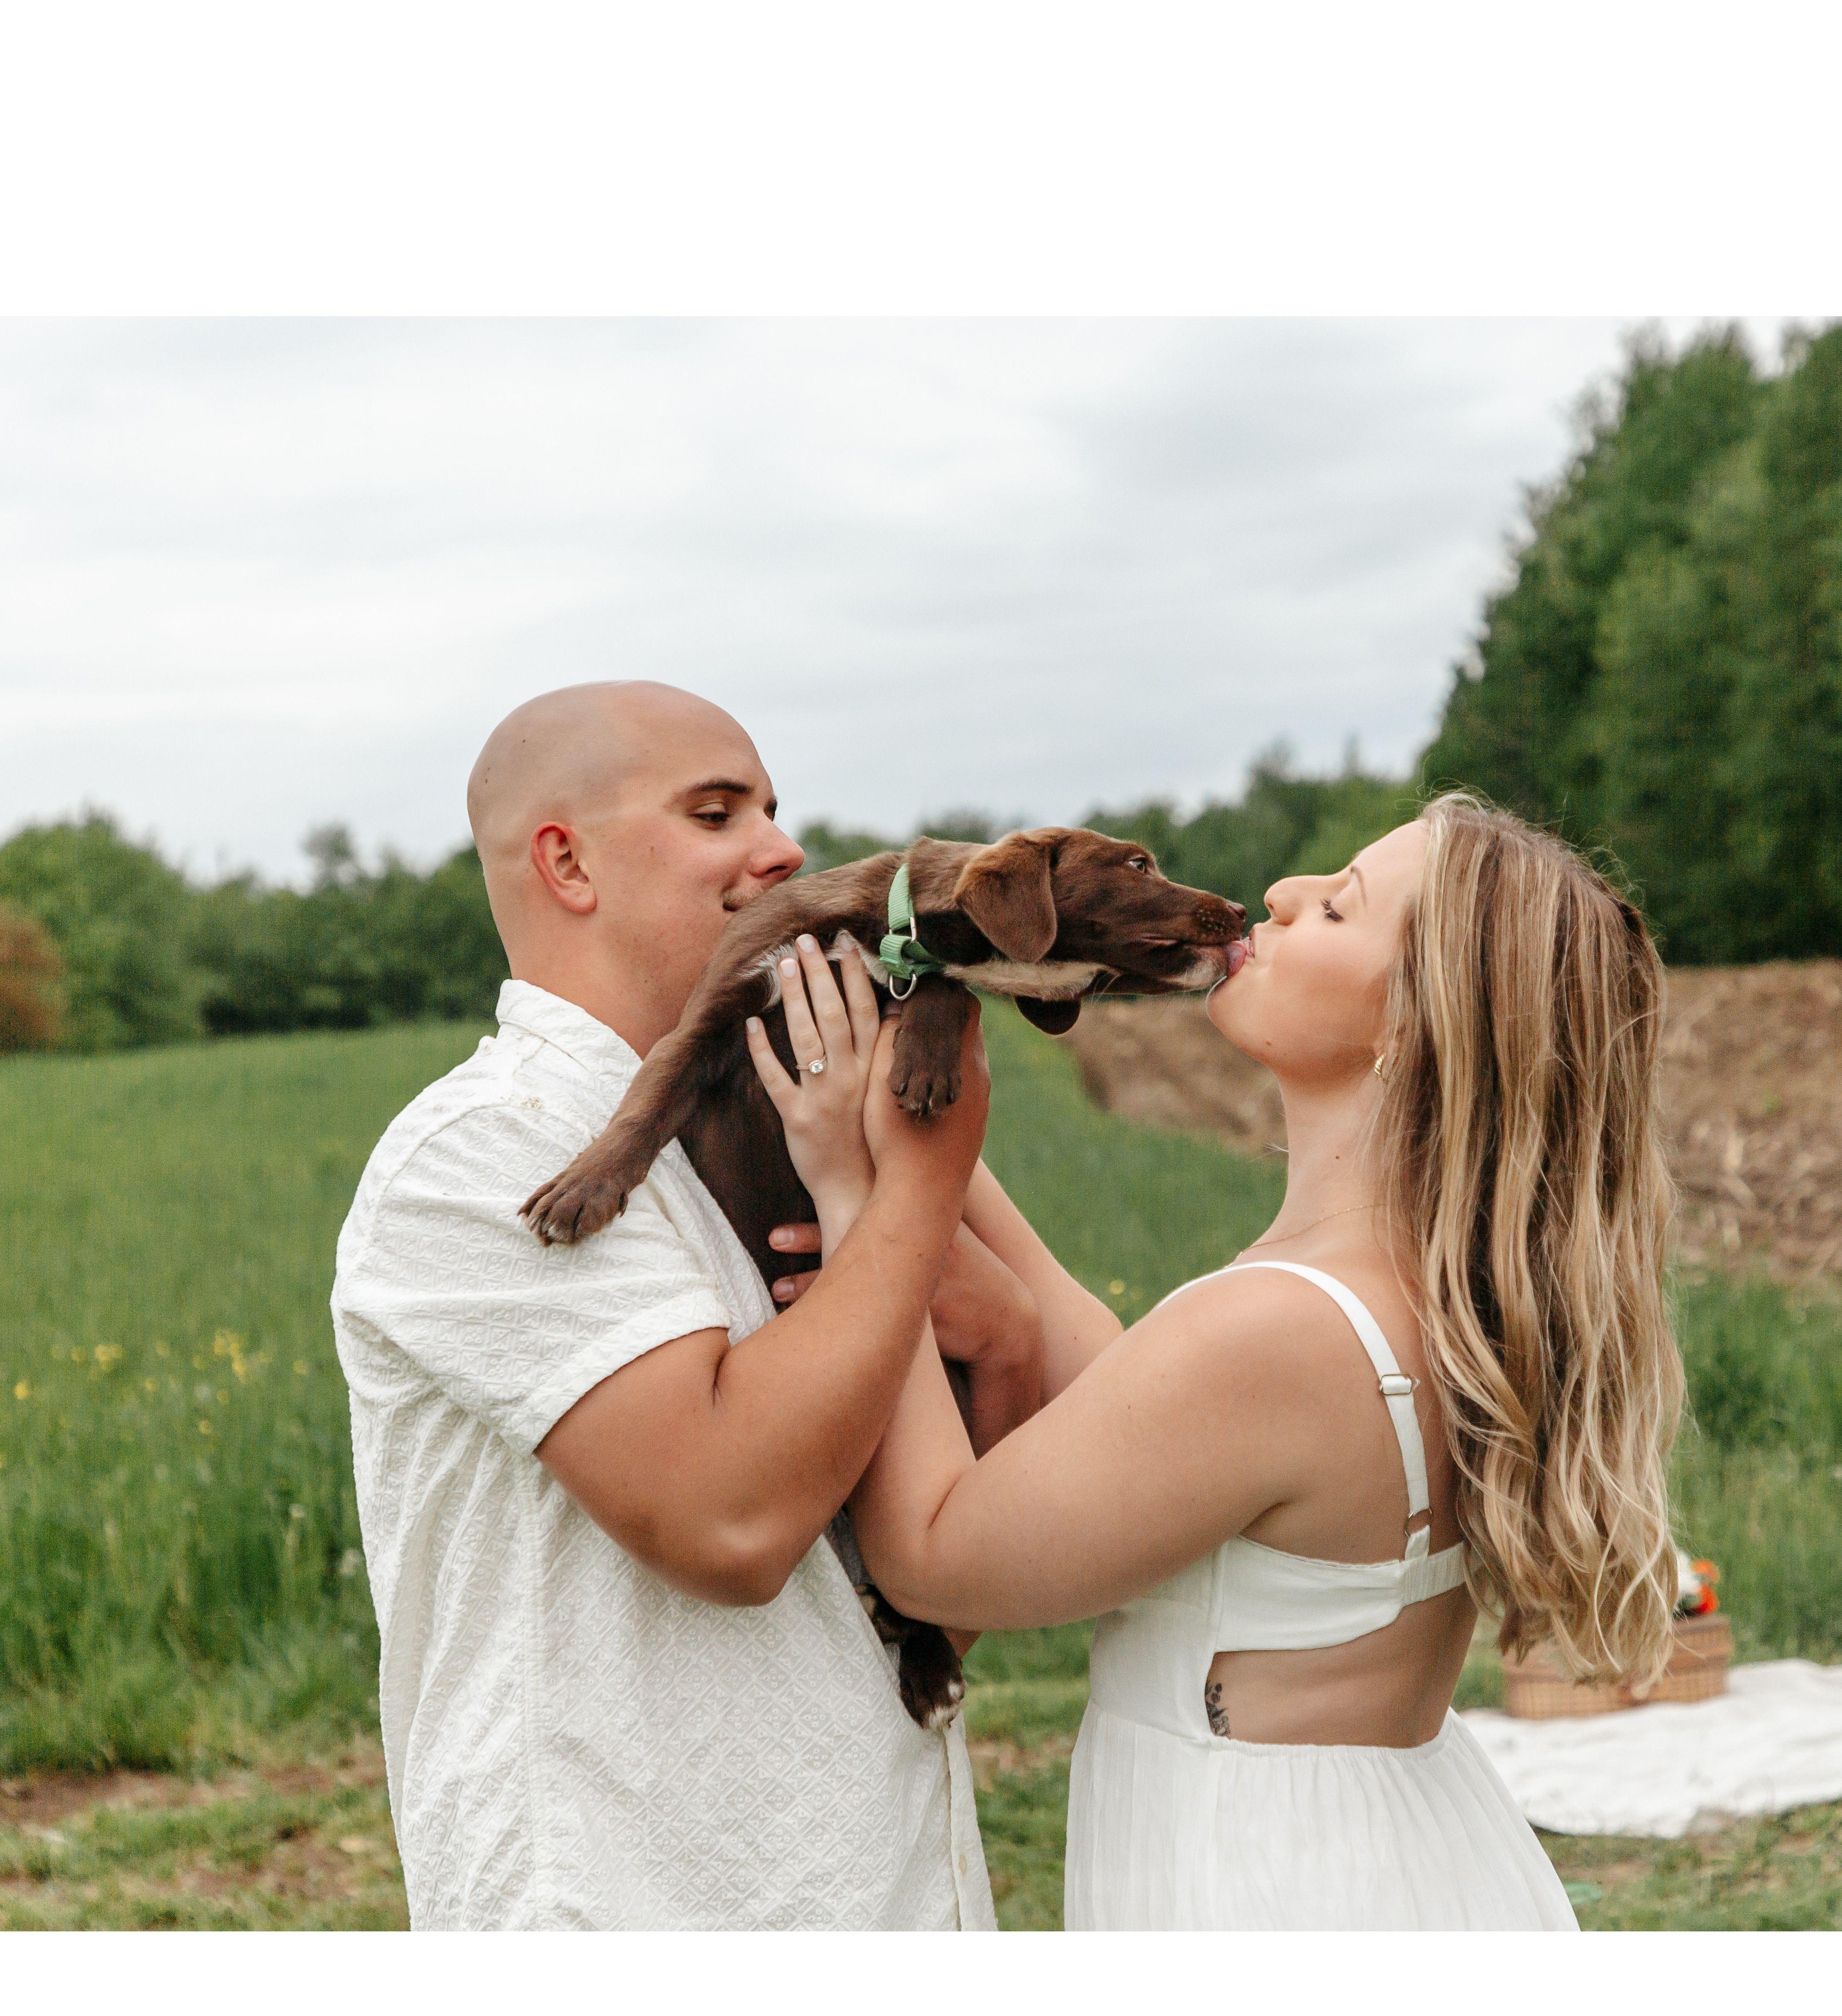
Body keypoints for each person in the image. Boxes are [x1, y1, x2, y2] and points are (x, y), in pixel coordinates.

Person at [838, 794, 1684, 1930]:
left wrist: (864, 1203)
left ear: (1412, 1026)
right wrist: (922, 1132)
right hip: (1388, 1858)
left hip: (1261, 1885)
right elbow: (1129, 1400)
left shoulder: (1279, 1333)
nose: (1281, 894)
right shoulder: (1408, 1292)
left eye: (1337, 908)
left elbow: (935, 1558)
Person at [330, 680, 1040, 1929]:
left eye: (772, 809)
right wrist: (918, 1193)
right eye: (717, 814)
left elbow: (949, 1567)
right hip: (643, 1904)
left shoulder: (814, 1109)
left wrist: (1007, 1337)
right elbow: (730, 1521)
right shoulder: (490, 1150)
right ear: (568, 863)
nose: (783, 849)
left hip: (885, 1883)